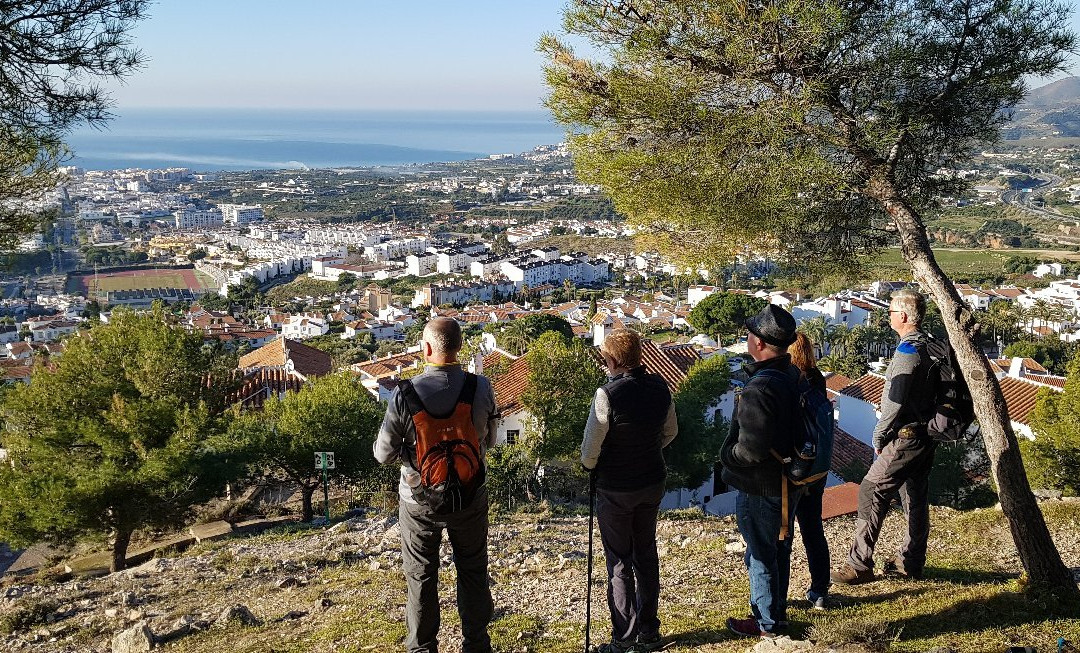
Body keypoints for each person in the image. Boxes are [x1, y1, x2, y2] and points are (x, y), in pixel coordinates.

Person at [373, 317, 499, 653]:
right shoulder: (481, 388)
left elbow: (382, 454)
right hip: (471, 496)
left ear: (426, 348)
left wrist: (409, 454)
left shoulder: (404, 394)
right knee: (473, 570)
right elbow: (493, 439)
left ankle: (423, 647)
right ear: (459, 348)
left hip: (418, 501)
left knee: (421, 575)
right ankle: (476, 644)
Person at [831, 288, 938, 585]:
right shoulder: (931, 346)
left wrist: (879, 435)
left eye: (890, 312)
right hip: (927, 434)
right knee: (914, 497)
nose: (888, 316)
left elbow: (894, 400)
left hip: (904, 437)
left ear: (902, 316)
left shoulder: (906, 353)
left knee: (871, 490)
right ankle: (911, 562)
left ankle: (859, 564)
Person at [581, 329, 678, 653]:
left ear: (611, 360)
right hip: (651, 480)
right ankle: (649, 631)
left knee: (620, 562)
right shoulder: (660, 387)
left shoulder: (607, 395)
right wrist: (646, 448)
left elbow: (589, 450)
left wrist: (592, 465)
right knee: (646, 554)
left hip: (616, 488)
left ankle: (623, 637)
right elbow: (670, 432)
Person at [720, 304, 804, 638]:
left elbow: (751, 450)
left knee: (759, 553)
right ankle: (776, 614)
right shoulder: (792, 374)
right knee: (777, 548)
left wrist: (728, 456)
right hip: (789, 479)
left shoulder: (759, 388)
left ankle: (766, 623)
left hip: (762, 486)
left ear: (757, 343)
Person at [788, 333, 831, 610]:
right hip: (819, 467)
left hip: (796, 466)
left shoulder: (791, 382)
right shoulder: (818, 378)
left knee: (784, 532)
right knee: (813, 528)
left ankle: (777, 595)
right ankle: (820, 590)